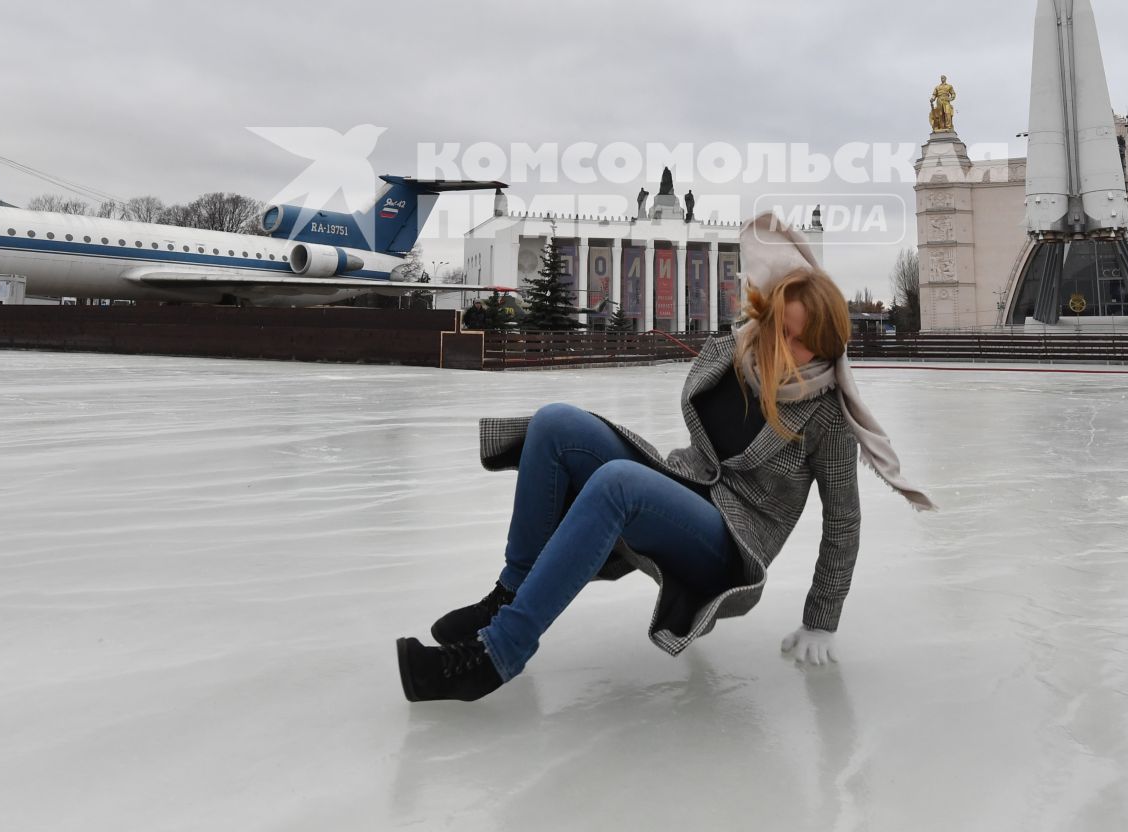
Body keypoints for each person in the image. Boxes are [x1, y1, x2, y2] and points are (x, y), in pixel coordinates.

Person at [395, 212, 935, 703]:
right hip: (681, 488)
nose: (786, 349)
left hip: (727, 546)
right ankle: (508, 595)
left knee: (619, 483)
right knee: (557, 423)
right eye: (781, 329)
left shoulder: (825, 414)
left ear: (826, 346)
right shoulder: (732, 352)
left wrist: (822, 619)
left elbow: (844, 522)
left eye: (803, 342)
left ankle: (495, 655)